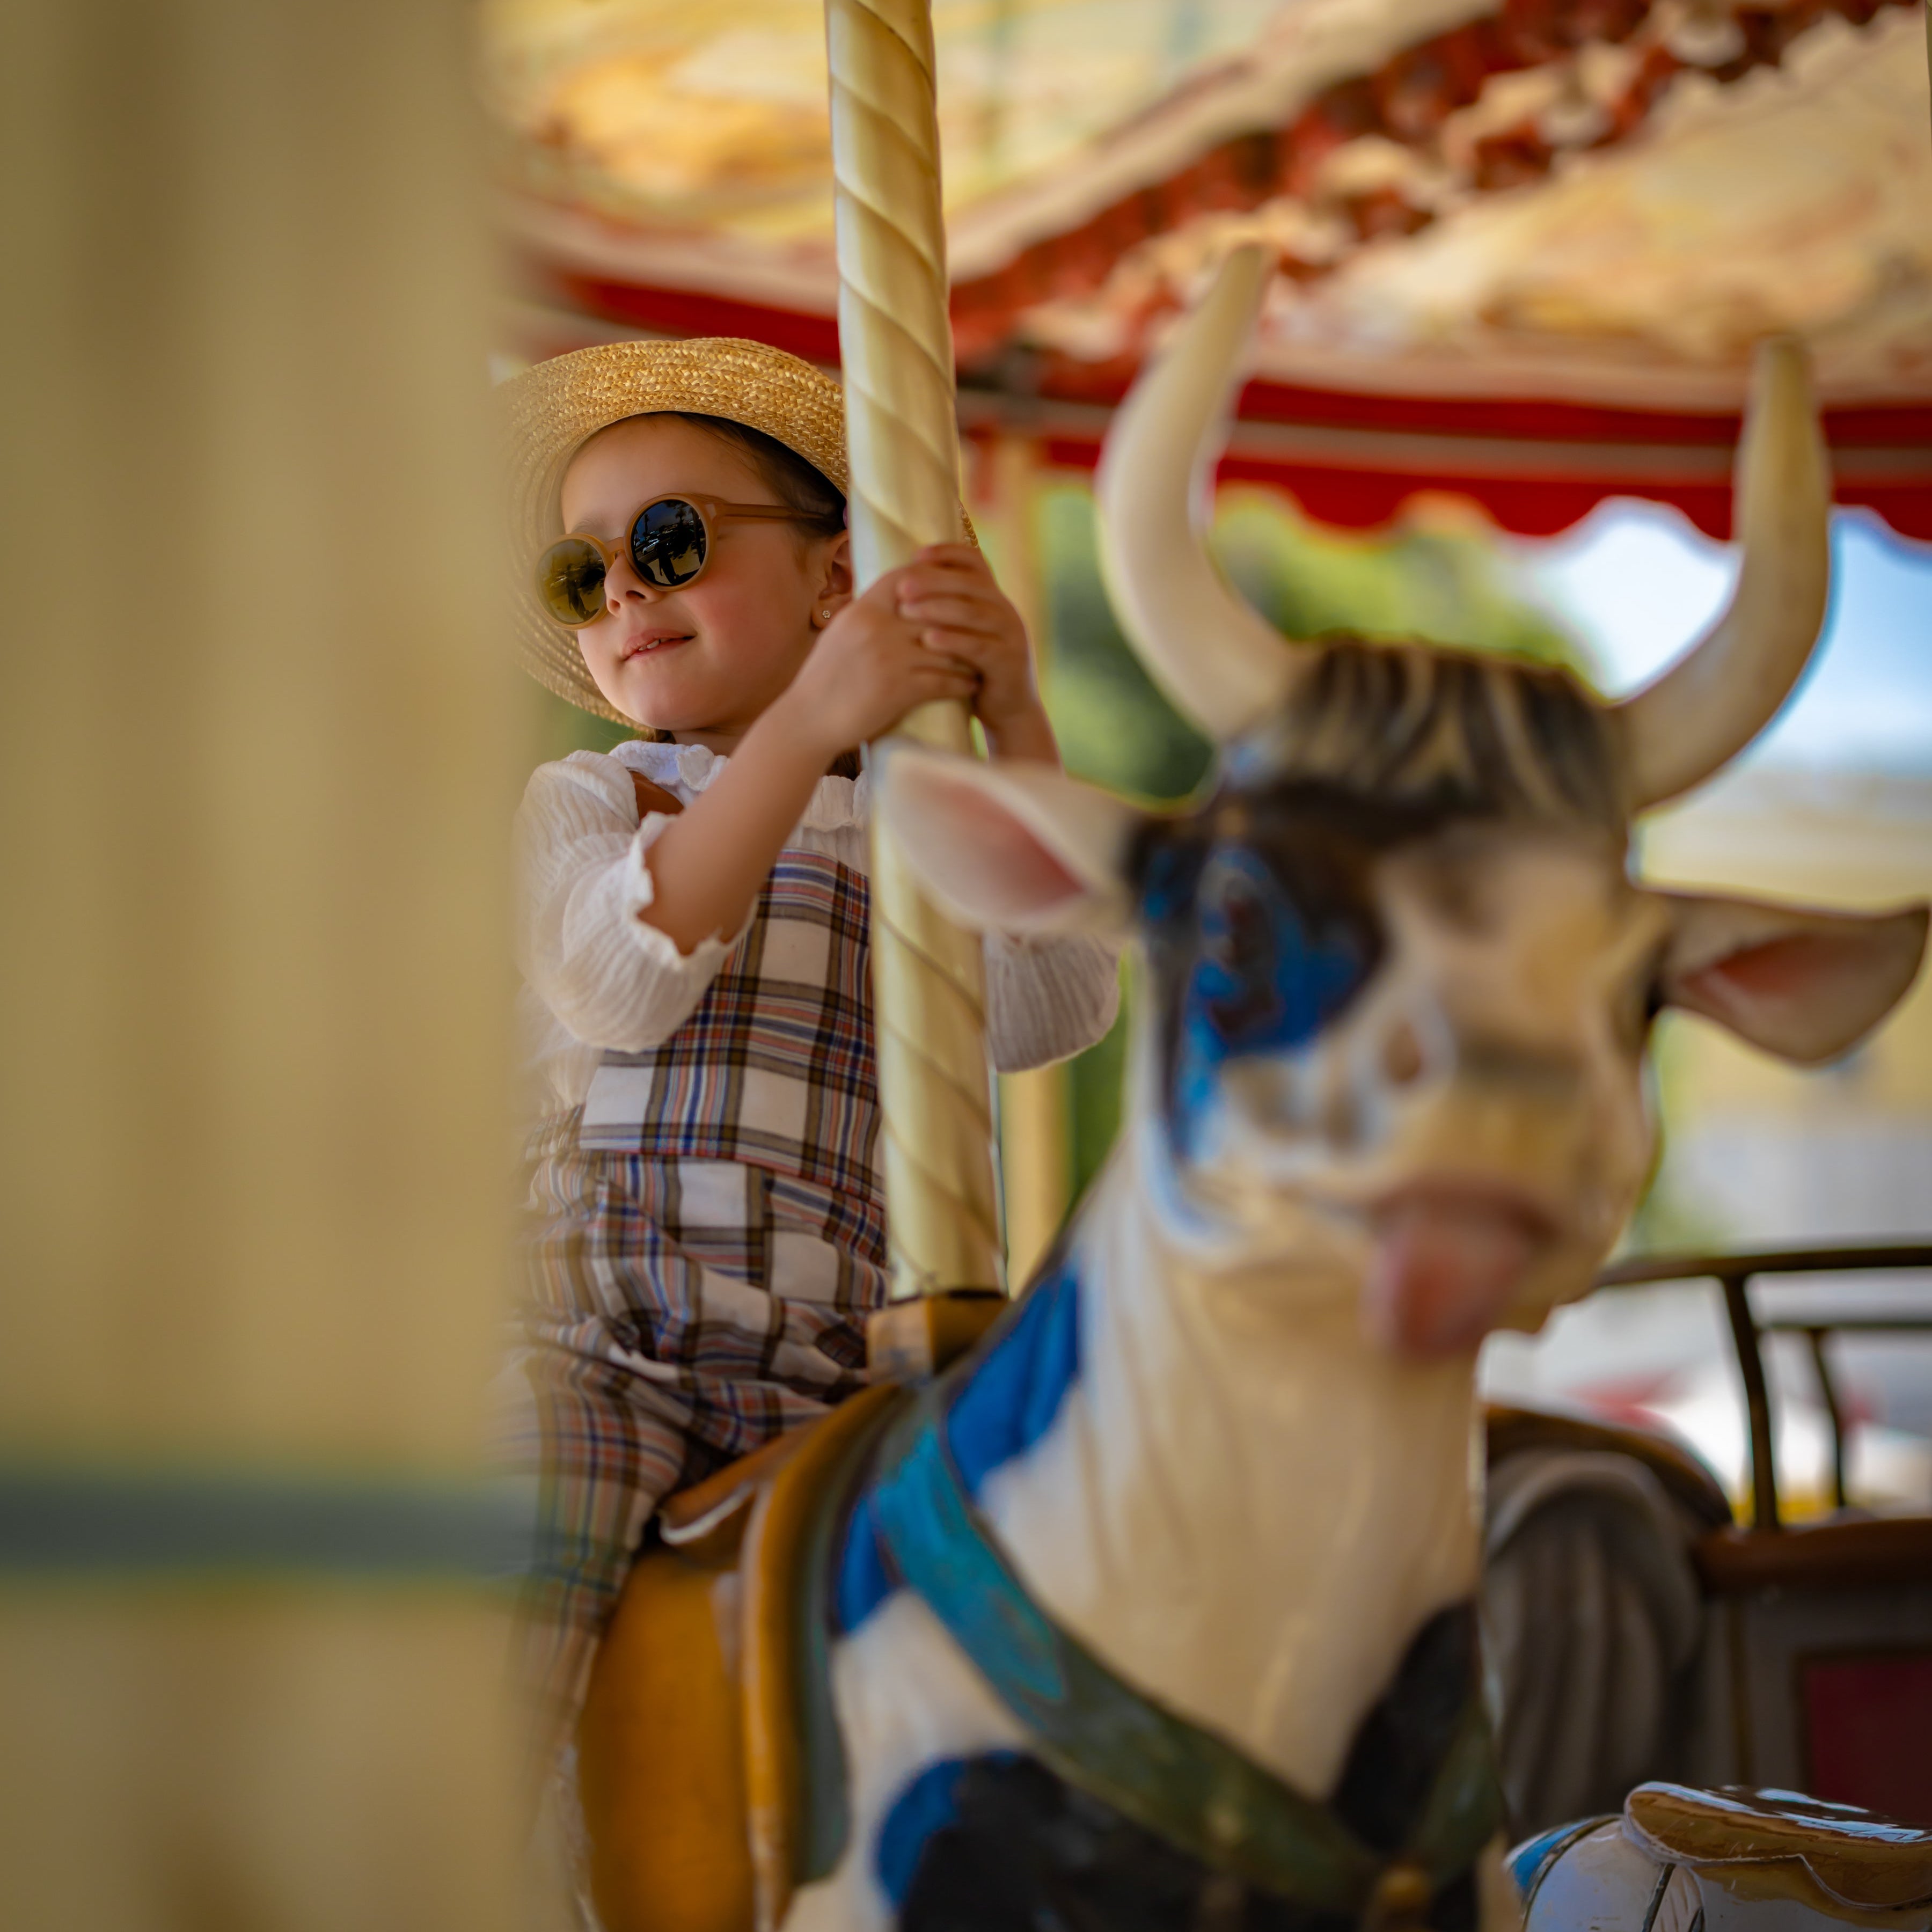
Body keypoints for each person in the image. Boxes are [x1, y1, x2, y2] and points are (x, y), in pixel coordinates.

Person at [500, 337, 1119, 1845]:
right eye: (585, 578)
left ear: (835, 582)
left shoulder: (904, 821)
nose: (628, 595)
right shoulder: (596, 801)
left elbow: (1055, 999)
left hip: (820, 1373)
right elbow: (622, 978)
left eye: (671, 543)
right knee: (519, 1540)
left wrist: (1012, 714)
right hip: (600, 1347)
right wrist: (814, 725)